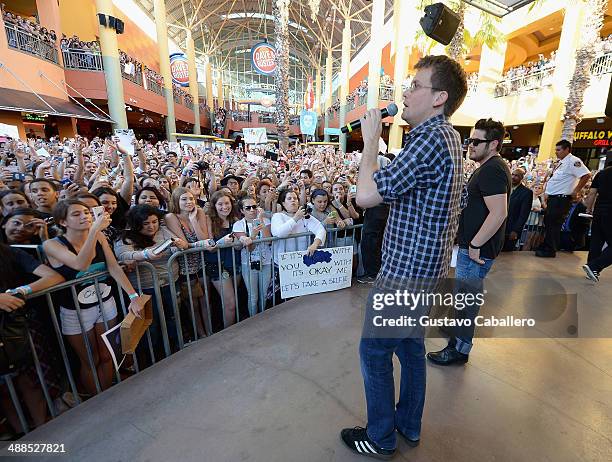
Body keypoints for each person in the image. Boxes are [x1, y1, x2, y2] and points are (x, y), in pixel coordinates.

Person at [340, 55, 468, 458]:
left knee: (374, 351)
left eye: (415, 86)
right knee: (410, 349)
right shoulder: (449, 139)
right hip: (427, 272)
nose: (406, 93)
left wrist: (370, 140)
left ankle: (380, 437)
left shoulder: (430, 138)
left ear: (438, 98)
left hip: (404, 275)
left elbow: (365, 196)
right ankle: (408, 424)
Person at [427, 118, 511, 365]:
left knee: (466, 301)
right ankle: (455, 333)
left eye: (476, 141)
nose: (470, 145)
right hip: (472, 247)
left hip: (476, 251)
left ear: (494, 144)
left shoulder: (494, 169)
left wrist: (475, 245)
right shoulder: (488, 166)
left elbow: (499, 212)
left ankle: (459, 349)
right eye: (469, 140)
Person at [42, 200, 148, 395]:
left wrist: (133, 296)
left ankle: (107, 395)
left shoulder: (98, 236)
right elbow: (80, 264)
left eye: (86, 212)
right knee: (90, 359)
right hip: (75, 311)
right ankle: (96, 400)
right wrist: (93, 232)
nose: (84, 216)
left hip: (105, 302)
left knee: (107, 354)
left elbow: (113, 267)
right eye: (76, 214)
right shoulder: (52, 245)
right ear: (63, 222)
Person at [0, 243, 65, 435]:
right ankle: (22, 433)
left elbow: (54, 277)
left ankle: (42, 429)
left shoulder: (9, 252)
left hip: (16, 325)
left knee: (30, 379)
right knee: (3, 388)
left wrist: (21, 291)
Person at [536, 140, 590, 258]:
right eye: (556, 149)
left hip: (562, 199)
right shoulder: (561, 163)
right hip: (554, 198)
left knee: (554, 223)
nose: (556, 152)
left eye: (559, 150)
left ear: (567, 150)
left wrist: (576, 191)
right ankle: (547, 245)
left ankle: (550, 249)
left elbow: (586, 175)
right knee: (549, 222)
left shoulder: (574, 161)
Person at [204, 190, 243, 327]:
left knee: (232, 301)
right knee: (230, 303)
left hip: (235, 263)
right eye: (220, 204)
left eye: (227, 203)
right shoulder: (209, 221)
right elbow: (210, 246)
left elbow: (239, 246)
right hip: (217, 265)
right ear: (214, 206)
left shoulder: (236, 221)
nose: (224, 207)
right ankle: (228, 335)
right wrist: (222, 242)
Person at [232, 196, 272, 316]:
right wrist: (253, 235)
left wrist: (260, 220)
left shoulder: (266, 221)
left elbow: (268, 240)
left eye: (254, 207)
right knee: (253, 297)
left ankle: (263, 319)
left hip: (266, 262)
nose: (252, 210)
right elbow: (249, 247)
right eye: (248, 208)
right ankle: (253, 322)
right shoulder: (238, 225)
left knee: (264, 295)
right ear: (242, 210)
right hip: (248, 264)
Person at [358, 154, 390, 283]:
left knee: (370, 242)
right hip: (381, 210)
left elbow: (364, 200)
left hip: (376, 210)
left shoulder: (378, 182)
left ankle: (371, 274)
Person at [583, 161, 612, 282]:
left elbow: (592, 193)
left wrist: (589, 209)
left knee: (596, 241)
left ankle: (592, 270)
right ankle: (594, 266)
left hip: (599, 211)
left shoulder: (601, 174)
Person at [502, 168, 533, 251]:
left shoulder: (526, 193)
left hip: (511, 230)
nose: (513, 177)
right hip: (499, 227)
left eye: (517, 176)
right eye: (512, 174)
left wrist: (516, 230)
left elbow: (524, 214)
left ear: (522, 178)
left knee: (507, 255)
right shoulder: (504, 188)